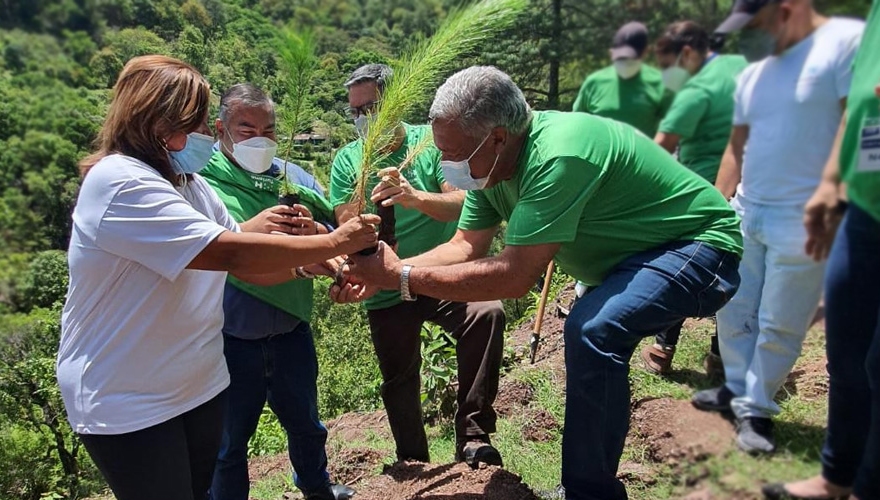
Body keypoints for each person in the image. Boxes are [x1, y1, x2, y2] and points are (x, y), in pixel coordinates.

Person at [334, 66, 743, 500]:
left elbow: (514, 276)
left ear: (496, 137)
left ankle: (588, 492)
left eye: (452, 153)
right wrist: (381, 275)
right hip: (631, 261)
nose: (446, 165)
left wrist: (401, 276)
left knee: (593, 329)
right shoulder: (491, 168)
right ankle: (586, 485)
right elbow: (464, 247)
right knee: (591, 328)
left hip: (699, 249)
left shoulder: (558, 154)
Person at [55, 55, 379, 500]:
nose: (209, 136)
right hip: (129, 396)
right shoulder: (121, 183)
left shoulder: (189, 183)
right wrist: (335, 243)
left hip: (196, 384)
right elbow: (226, 250)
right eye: (200, 125)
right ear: (158, 124)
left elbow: (245, 261)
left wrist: (317, 267)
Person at [691, 0, 864, 455]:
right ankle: (736, 388)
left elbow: (856, 116)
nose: (758, 32)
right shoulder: (756, 74)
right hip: (748, 207)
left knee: (780, 320)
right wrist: (716, 206)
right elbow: (736, 145)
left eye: (762, 20)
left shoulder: (844, 43)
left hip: (804, 212)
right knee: (731, 306)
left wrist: (832, 187)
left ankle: (758, 409)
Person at [329, 64, 506, 467]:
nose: (362, 120)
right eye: (354, 111)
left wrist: (414, 197)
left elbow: (465, 203)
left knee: (486, 312)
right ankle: (412, 459)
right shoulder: (347, 160)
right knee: (398, 374)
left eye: (370, 108)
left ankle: (474, 438)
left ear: (395, 103)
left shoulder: (431, 143)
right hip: (383, 283)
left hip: (437, 272)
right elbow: (345, 223)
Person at [200, 84, 354, 500]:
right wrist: (266, 239)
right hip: (229, 338)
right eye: (246, 129)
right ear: (221, 129)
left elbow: (334, 226)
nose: (260, 140)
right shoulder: (203, 183)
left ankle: (316, 487)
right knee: (229, 442)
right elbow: (223, 251)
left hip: (290, 330)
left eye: (268, 130)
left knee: (306, 423)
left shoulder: (293, 178)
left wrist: (317, 231)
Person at [762, 1, 880, 498]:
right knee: (846, 351)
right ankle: (837, 476)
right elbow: (860, 103)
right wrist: (832, 181)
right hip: (866, 204)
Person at [639, 21, 748, 375]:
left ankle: (662, 349)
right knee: (734, 269)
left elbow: (659, 151)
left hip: (700, 193)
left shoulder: (696, 91)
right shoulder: (740, 67)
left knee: (680, 269)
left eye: (669, 64)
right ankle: (720, 354)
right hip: (746, 188)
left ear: (686, 53)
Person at [572, 21, 674, 138]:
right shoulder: (593, 83)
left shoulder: (661, 84)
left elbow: (671, 131)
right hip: (602, 155)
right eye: (620, 59)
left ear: (646, 52)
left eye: (630, 59)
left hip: (643, 155)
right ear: (611, 53)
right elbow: (577, 125)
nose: (625, 64)